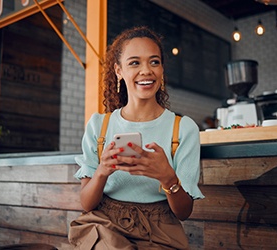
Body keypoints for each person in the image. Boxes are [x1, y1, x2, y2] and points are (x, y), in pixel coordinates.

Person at [68, 26, 204, 250]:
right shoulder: (98, 126)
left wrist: (168, 178)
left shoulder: (183, 128)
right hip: (105, 226)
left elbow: (183, 213)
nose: (146, 71)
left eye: (154, 62)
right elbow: (86, 203)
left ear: (161, 69)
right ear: (118, 70)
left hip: (161, 233)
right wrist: (102, 171)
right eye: (134, 63)